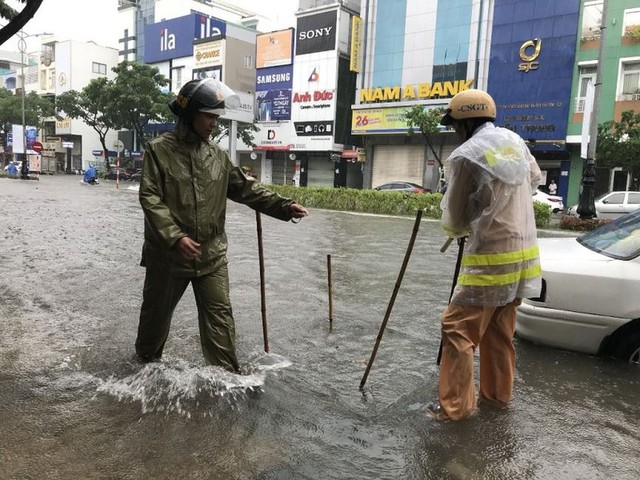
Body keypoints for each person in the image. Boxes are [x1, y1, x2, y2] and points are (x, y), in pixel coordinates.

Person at [135, 78, 308, 373]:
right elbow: (150, 197)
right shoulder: (158, 151)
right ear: (189, 115)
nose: (214, 124)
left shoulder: (217, 156)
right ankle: (143, 371)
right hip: (168, 258)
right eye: (209, 117)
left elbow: (246, 188)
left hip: (211, 256)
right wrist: (175, 237)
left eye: (216, 118)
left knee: (220, 319)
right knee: (155, 322)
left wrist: (282, 205)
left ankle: (226, 380)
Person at [430, 89, 542, 420]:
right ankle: (496, 399)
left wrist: (461, 226)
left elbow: (454, 214)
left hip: (491, 255)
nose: (454, 132)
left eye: (454, 126)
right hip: (523, 254)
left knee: (457, 329)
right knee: (499, 331)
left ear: (464, 123)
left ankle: (455, 410)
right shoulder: (514, 142)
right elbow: (533, 179)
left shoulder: (467, 153)